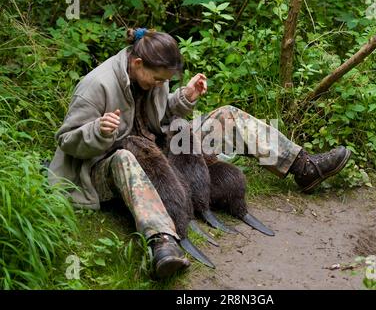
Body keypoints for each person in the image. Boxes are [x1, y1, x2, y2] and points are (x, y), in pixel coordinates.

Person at [49, 28, 351, 279]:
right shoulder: (96, 85)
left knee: (227, 115)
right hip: (106, 167)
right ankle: (163, 242)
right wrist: (99, 131)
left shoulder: (154, 77)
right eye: (157, 80)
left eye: (165, 82)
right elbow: (66, 140)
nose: (160, 85)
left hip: (155, 148)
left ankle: (304, 167)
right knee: (126, 157)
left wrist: (184, 98)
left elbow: (161, 116)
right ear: (138, 63)